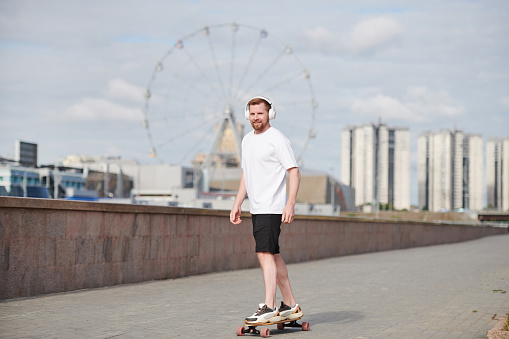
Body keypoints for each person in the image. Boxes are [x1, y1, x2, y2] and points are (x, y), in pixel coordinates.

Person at [230, 96, 303, 325]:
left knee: (263, 253)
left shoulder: (277, 140)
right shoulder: (246, 140)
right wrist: (238, 202)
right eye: (252, 114)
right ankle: (290, 304)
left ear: (269, 114)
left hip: (271, 206)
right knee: (272, 253)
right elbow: (247, 174)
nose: (255, 118)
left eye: (260, 113)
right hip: (257, 207)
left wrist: (289, 203)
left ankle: (269, 306)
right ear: (247, 115)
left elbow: (294, 172)